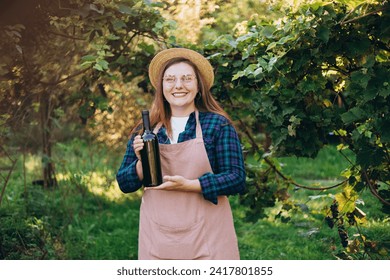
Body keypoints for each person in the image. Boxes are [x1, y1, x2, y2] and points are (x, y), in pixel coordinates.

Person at [116, 48, 246, 260]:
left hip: (209, 238)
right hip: (156, 240)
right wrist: (141, 164)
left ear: (198, 86)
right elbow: (124, 183)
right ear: (162, 88)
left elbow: (236, 178)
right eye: (170, 79)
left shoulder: (217, 125)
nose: (178, 85)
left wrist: (191, 185)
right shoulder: (146, 130)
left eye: (187, 79)